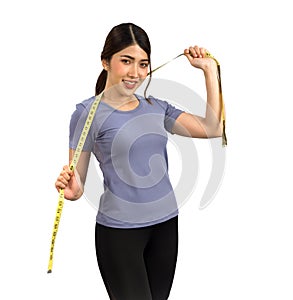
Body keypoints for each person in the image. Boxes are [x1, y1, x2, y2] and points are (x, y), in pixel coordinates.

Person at [55, 22, 223, 300]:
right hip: (120, 234)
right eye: (126, 61)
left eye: (143, 64)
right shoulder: (87, 113)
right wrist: (74, 191)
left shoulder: (157, 107)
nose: (135, 72)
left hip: (166, 226)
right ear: (105, 61)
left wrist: (209, 71)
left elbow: (213, 128)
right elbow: (78, 182)